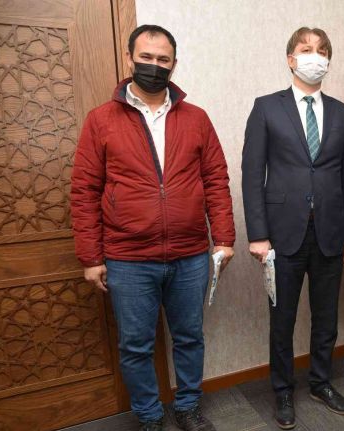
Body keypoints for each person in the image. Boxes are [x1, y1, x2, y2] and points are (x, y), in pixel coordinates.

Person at [71, 25, 235, 431]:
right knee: (135, 345)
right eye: (146, 57)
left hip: (189, 254)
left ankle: (188, 407)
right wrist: (91, 257)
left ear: (174, 64)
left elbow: (216, 179)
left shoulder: (196, 118)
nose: (154, 66)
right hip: (128, 259)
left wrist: (224, 238)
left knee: (190, 337)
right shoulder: (101, 120)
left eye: (163, 60)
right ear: (130, 58)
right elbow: (84, 190)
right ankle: (148, 415)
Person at [241, 27, 344, 430]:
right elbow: (251, 175)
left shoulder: (342, 113)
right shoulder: (266, 108)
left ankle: (321, 383)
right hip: (282, 235)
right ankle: (282, 390)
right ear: (291, 59)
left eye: (323, 51)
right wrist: (258, 234)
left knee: (326, 318)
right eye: (307, 49)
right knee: (283, 319)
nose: (316, 56)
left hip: (330, 232)